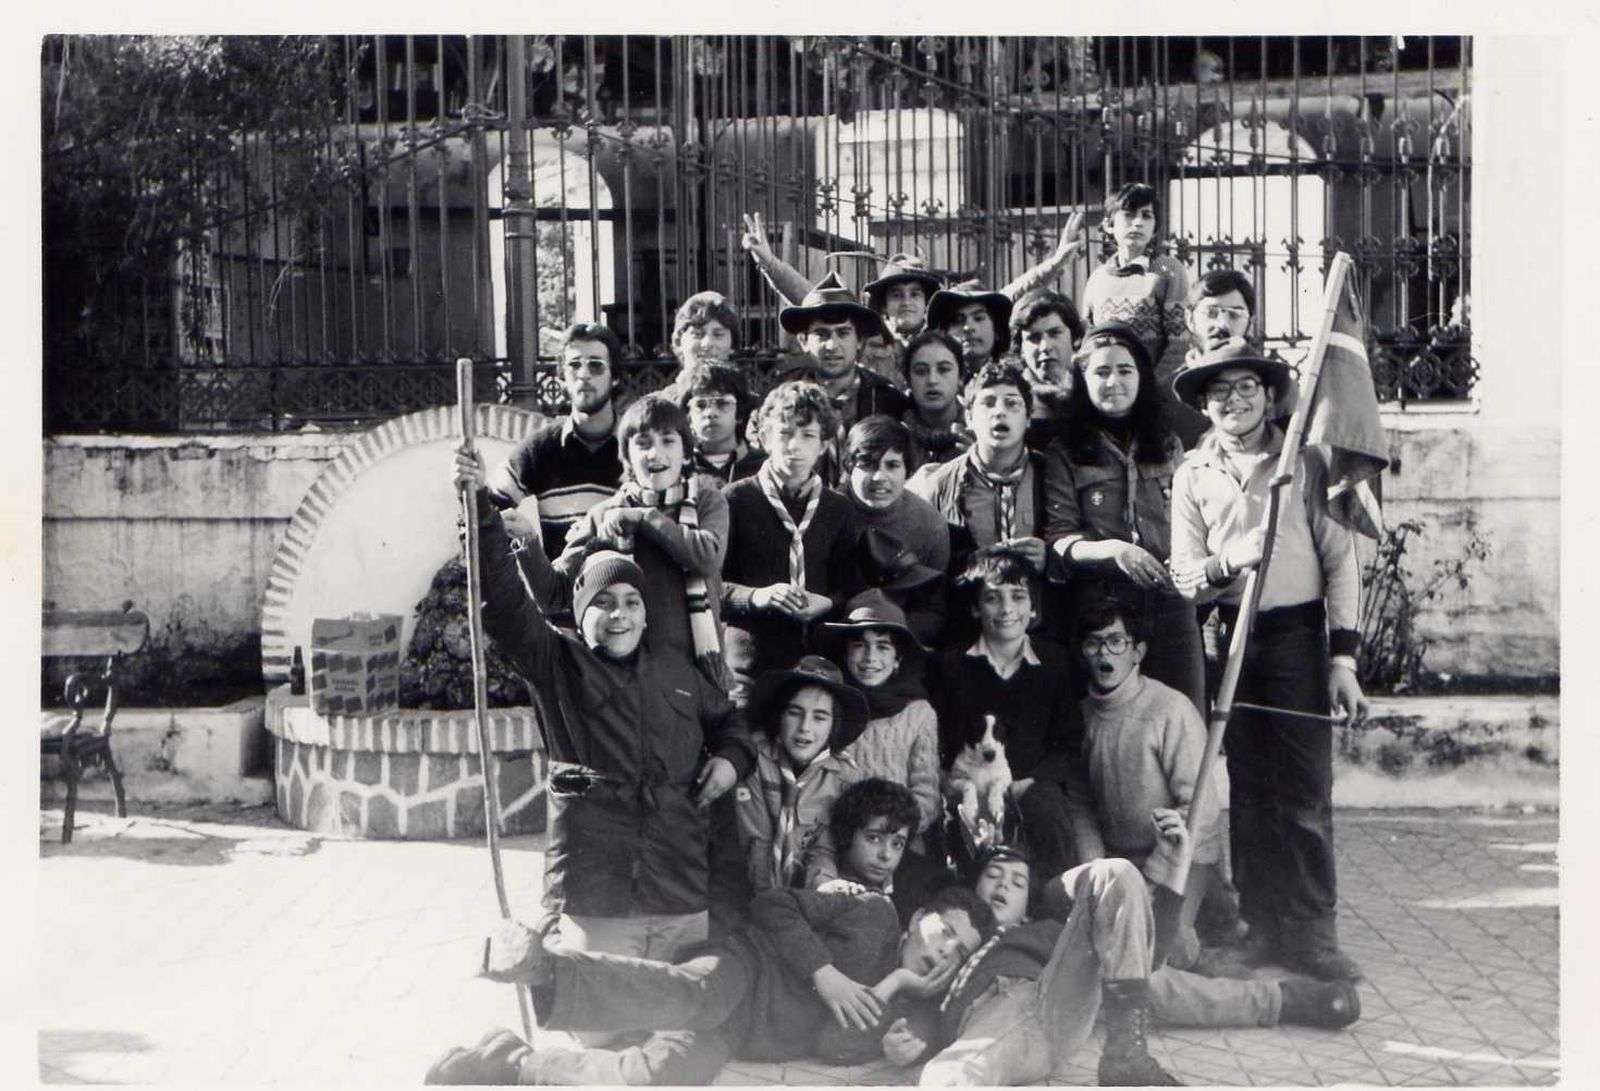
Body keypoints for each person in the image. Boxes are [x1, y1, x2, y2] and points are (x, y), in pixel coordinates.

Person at [425, 779, 994, 1086]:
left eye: (959, 951)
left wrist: (892, 986)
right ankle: (544, 967)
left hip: (740, 1033)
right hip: (742, 971)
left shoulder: (901, 1009)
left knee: (662, 1074)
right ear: (921, 918)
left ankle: (513, 1062)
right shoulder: (874, 912)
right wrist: (826, 977)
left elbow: (832, 1047)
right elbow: (773, 906)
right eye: (946, 930)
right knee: (691, 992)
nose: (945, 948)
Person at [452, 449, 754, 969]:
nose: (620, 615)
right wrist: (477, 505)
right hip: (601, 900)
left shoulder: (678, 672)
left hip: (679, 894)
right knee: (603, 1033)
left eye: (631, 601)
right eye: (603, 602)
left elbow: (732, 722)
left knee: (679, 1017)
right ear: (579, 612)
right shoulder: (557, 663)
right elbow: (501, 601)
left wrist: (731, 759)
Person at [823, 843, 1360, 1085]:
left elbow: (1151, 961)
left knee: (1120, 884)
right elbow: (916, 1018)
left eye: (1018, 880)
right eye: (995, 876)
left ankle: (1286, 1000)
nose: (1005, 884)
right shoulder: (953, 946)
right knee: (950, 1076)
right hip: (1001, 1020)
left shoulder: (1050, 927)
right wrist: (903, 1039)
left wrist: (1169, 881)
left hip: (1066, 994)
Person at [1167, 341, 1370, 983]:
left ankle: (1313, 933)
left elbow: (1342, 563)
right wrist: (1231, 561)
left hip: (1294, 638)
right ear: (1204, 403)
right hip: (1229, 637)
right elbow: (1185, 577)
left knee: (1304, 792)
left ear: (1269, 395)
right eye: (1220, 390)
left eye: (1246, 387)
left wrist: (1344, 661)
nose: (1234, 399)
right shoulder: (1193, 474)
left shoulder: (1302, 464)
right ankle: (1259, 927)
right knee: (1250, 794)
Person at [1042, 322, 1205, 713]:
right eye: (1101, 372)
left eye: (1124, 370)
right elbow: (1059, 540)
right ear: (1083, 379)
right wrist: (1114, 550)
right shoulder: (1064, 450)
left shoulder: (1167, 442)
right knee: (1107, 726)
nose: (1113, 381)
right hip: (1101, 607)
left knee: (1185, 717)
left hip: (1170, 603)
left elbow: (1193, 521)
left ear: (1141, 378)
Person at [927, 548, 1101, 883]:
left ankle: (1052, 903)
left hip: (1029, 785)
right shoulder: (950, 665)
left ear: (1033, 607)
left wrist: (1027, 782)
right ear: (976, 608)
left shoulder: (1053, 662)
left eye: (1018, 597)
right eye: (993, 598)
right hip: (965, 783)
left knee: (1045, 810)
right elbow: (939, 739)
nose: (1007, 610)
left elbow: (1067, 742)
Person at [1075, 599, 1225, 973]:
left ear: (1138, 651)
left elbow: (1201, 811)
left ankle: (1214, 934)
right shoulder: (1081, 716)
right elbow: (1080, 803)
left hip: (1180, 860)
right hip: (1122, 862)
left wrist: (1157, 877)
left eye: (1116, 642)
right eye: (1093, 643)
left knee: (1159, 953)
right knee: (1100, 946)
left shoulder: (1170, 710)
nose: (1104, 654)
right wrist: (1099, 871)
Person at [552, 394, 728, 671]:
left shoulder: (708, 501)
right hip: (628, 672)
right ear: (627, 457)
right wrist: (526, 541)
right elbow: (556, 590)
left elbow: (706, 558)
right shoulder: (607, 514)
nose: (655, 454)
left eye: (667, 441)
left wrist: (645, 518)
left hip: (694, 669)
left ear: (685, 455)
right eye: (643, 444)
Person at [739, 211, 1087, 349]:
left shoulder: (948, 336)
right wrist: (769, 263)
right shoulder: (868, 337)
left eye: (915, 293)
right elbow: (811, 298)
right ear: (883, 305)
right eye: (896, 295)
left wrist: (1055, 264)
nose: (906, 300)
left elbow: (1010, 294)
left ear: (927, 302)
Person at [721, 382, 861, 674]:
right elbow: (710, 583)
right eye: (784, 434)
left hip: (818, 659)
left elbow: (849, 587)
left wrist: (825, 602)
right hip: (750, 663)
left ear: (823, 445)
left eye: (808, 435)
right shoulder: (733, 499)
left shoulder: (838, 508)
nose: (794, 446)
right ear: (764, 437)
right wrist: (755, 596)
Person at [815, 592, 944, 908]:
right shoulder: (831, 706)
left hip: (898, 847)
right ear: (845, 653)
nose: (870, 657)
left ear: (898, 659)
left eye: (883, 646)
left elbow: (927, 794)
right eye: (859, 645)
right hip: (835, 841)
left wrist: (888, 833)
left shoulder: (918, 713)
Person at [486, 322, 624, 558]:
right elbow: (486, 514)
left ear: (615, 378)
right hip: (562, 590)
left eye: (596, 366)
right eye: (574, 366)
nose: (583, 374)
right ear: (561, 379)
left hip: (627, 590)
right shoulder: (543, 448)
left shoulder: (635, 444)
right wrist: (472, 485)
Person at [737, 656, 868, 893]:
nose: (805, 727)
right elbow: (757, 843)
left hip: (804, 896)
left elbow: (824, 849)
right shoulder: (753, 759)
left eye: (819, 717)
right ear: (779, 716)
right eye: (795, 712)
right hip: (743, 890)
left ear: (833, 726)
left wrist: (826, 884)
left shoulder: (844, 777)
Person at [907, 362, 1049, 582]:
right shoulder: (939, 483)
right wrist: (968, 562)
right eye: (988, 403)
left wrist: (1049, 556)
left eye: (1012, 404)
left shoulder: (1050, 475)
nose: (1000, 412)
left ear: (1028, 418)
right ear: (969, 417)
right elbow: (924, 563)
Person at [1080, 183, 1195, 446]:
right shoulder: (1097, 279)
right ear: (1109, 224)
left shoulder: (1167, 271)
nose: (1137, 223)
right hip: (1108, 398)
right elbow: (1088, 342)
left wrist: (1145, 387)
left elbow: (1179, 343)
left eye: (1146, 216)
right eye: (1129, 215)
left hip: (1153, 399)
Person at [842, 415, 952, 644]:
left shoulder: (930, 525)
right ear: (849, 466)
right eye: (867, 464)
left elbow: (934, 611)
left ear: (908, 470)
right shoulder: (826, 511)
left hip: (897, 641)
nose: (879, 477)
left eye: (892, 465)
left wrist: (889, 637)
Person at [776, 273, 909, 442]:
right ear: (803, 341)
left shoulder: (889, 401)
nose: (832, 345)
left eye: (843, 333)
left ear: (860, 341)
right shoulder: (781, 395)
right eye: (821, 334)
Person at [1009, 288, 1086, 450]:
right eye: (1034, 338)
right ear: (1021, 348)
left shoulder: (1093, 390)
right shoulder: (1011, 400)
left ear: (1075, 338)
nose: (1045, 347)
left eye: (1055, 333)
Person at [674, 363, 766, 485]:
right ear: (689, 417)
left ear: (739, 413)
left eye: (723, 403)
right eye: (701, 405)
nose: (711, 413)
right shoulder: (678, 469)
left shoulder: (763, 466)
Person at [899, 329, 973, 469]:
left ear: (961, 377)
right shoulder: (895, 436)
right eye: (920, 371)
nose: (932, 380)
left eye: (944, 369)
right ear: (908, 380)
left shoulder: (979, 430)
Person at [660, 291, 740, 401]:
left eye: (718, 334)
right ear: (678, 343)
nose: (707, 344)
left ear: (732, 346)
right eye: (698, 334)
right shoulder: (660, 406)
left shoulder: (751, 408)